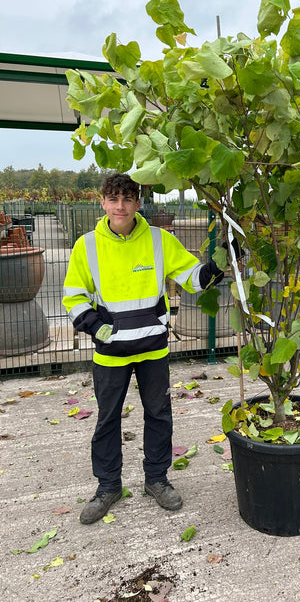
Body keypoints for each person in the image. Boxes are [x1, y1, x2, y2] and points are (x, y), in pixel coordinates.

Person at [62, 172, 227, 524]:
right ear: (102, 202)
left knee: (159, 416)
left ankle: (157, 479)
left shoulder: (159, 240)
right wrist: (95, 325)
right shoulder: (86, 245)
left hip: (153, 350)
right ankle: (108, 486)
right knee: (107, 420)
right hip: (110, 354)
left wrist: (222, 263)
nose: (120, 206)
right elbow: (73, 295)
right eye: (113, 199)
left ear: (138, 203)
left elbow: (194, 278)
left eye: (127, 199)